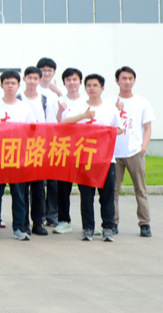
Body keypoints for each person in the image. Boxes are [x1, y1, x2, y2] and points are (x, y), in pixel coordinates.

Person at [61, 74, 124, 242]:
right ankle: (88, 228)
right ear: (85, 88)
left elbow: (120, 129)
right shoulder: (79, 107)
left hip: (106, 159)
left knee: (107, 195)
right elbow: (65, 123)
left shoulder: (110, 108)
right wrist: (83, 116)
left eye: (95, 85)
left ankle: (108, 227)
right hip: (85, 159)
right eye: (89, 85)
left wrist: (105, 131)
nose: (92, 88)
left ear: (102, 88)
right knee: (86, 196)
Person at [0, 70, 35, 241]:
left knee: (19, 194)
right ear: (1, 85)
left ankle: (19, 228)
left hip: (18, 157)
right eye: (7, 83)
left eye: (13, 83)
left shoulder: (25, 107)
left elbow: (33, 130)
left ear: (19, 85)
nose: (10, 86)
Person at [113, 66, 154, 237]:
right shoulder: (110, 103)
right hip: (114, 153)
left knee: (140, 189)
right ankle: (112, 222)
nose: (127, 81)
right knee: (113, 190)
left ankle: (144, 223)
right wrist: (116, 109)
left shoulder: (142, 102)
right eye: (124, 78)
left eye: (130, 78)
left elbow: (147, 127)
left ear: (134, 81)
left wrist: (143, 148)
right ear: (117, 81)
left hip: (135, 152)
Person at [17, 66, 58, 237]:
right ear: (24, 79)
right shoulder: (18, 99)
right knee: (22, 189)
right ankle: (23, 223)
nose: (32, 81)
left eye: (35, 78)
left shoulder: (45, 100)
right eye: (29, 78)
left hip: (39, 148)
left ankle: (38, 222)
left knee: (39, 188)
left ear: (40, 80)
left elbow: (51, 125)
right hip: (20, 149)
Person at [53, 68, 88, 235]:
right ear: (64, 83)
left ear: (80, 82)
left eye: (75, 79)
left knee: (86, 189)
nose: (72, 83)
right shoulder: (58, 101)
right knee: (63, 188)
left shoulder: (88, 101)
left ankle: (89, 223)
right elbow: (55, 124)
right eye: (68, 80)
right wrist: (60, 110)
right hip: (64, 149)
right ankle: (64, 220)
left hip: (84, 149)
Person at [36, 57, 63, 228]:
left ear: (54, 72)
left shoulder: (57, 92)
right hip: (38, 141)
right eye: (43, 70)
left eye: (49, 70)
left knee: (54, 181)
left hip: (55, 140)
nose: (46, 73)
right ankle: (39, 215)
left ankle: (52, 215)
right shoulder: (34, 90)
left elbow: (68, 110)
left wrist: (58, 91)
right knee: (38, 182)